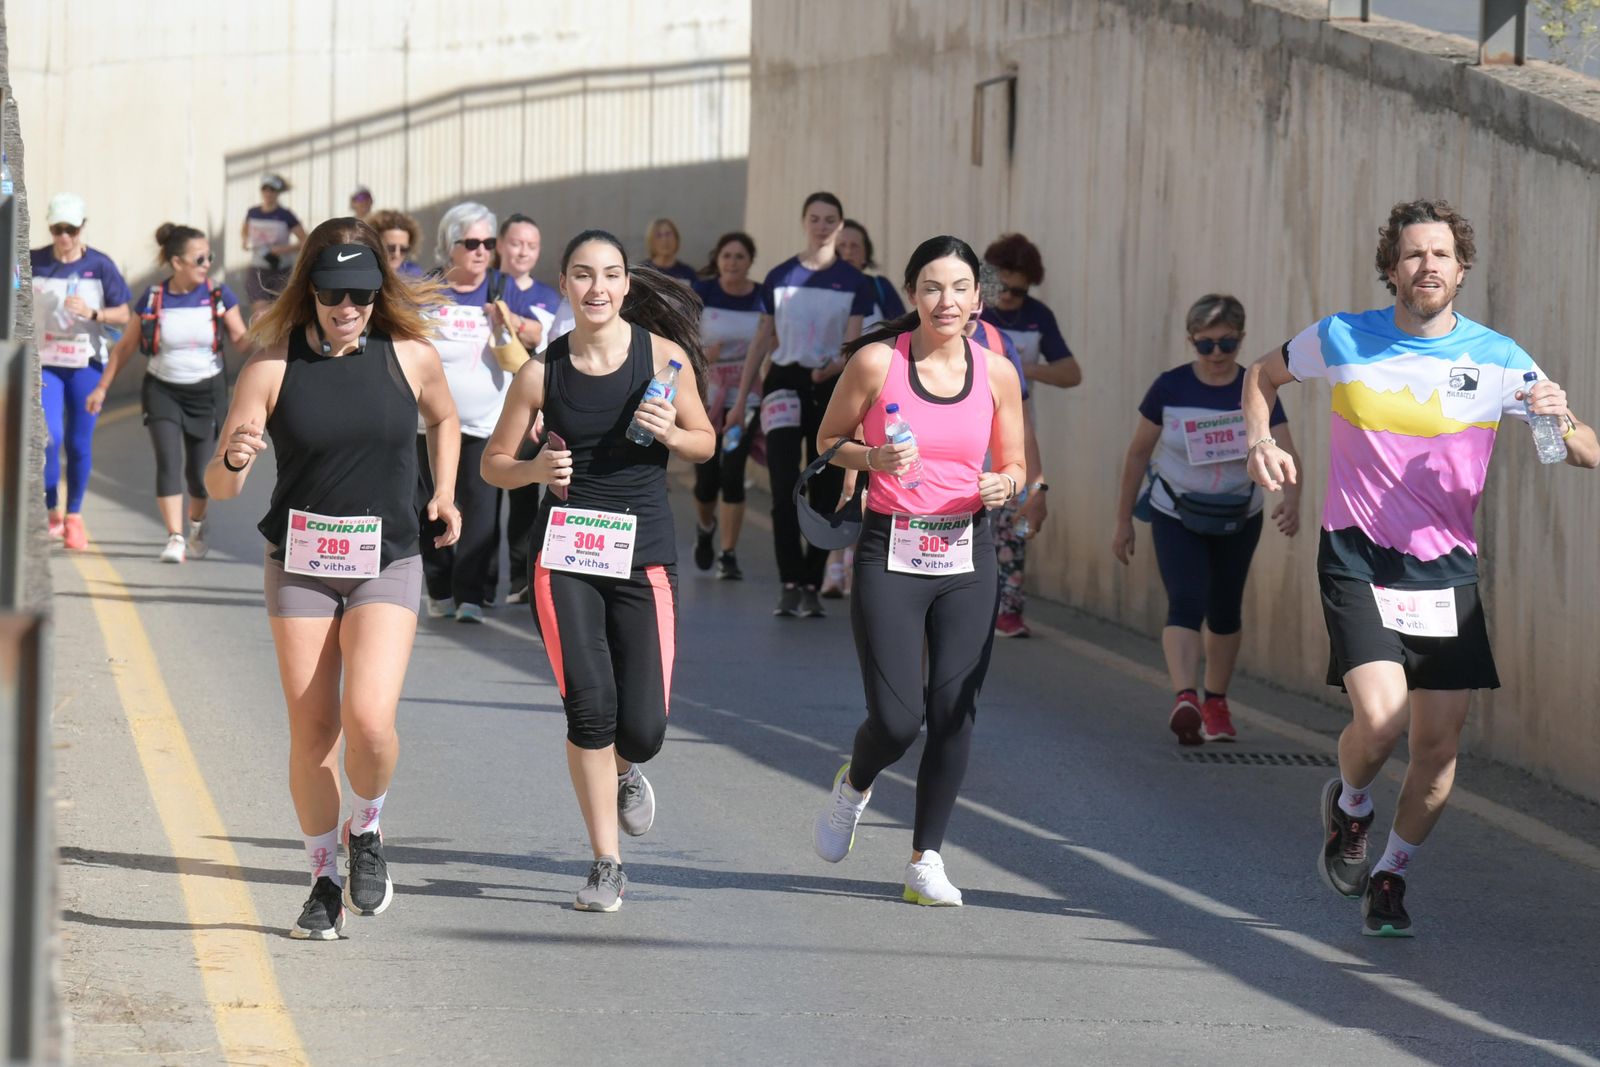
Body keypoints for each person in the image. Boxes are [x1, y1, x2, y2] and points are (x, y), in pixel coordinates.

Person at [1243, 199, 1598, 937]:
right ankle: (1350, 805)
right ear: (1392, 268)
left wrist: (1558, 415)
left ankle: (1391, 874)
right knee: (1380, 719)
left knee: (1437, 749)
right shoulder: (1343, 336)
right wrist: (1261, 441)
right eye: (1413, 254)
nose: (1427, 265)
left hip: (1446, 573)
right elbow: (1261, 376)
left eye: (1441, 254)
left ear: (1461, 270)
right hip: (1356, 551)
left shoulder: (1498, 358)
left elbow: (1578, 448)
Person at [204, 219, 462, 940]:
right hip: (302, 565)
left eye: (360, 294)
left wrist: (444, 490)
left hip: (387, 558)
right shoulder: (271, 364)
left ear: (380, 291)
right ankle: (322, 878)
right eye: (330, 294)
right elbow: (220, 490)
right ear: (309, 292)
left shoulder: (410, 354)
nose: (346, 307)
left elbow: (445, 419)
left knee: (370, 723)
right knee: (313, 730)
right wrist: (234, 456)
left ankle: (367, 826)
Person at [482, 229, 714, 912]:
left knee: (641, 726)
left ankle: (626, 766)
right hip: (566, 555)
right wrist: (533, 469)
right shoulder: (540, 372)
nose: (598, 288)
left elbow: (705, 441)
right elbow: (493, 461)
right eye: (583, 275)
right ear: (565, 283)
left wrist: (670, 430)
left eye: (610, 275)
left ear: (626, 285)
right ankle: (605, 862)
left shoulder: (663, 358)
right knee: (589, 706)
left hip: (644, 555)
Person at [811, 235, 1024, 906]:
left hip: (967, 553)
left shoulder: (996, 372)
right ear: (912, 295)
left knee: (953, 711)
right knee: (899, 719)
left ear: (978, 299)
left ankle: (925, 857)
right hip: (891, 552)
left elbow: (1016, 463)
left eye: (960, 288)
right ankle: (855, 784)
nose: (946, 300)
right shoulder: (879, 362)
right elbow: (826, 442)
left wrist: (1004, 485)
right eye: (932, 287)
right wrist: (872, 460)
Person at [1114, 294, 1301, 745]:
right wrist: (1123, 521)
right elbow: (1138, 453)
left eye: (1228, 344)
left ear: (1241, 340)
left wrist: (1293, 499)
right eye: (1206, 345)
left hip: (1239, 513)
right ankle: (1186, 697)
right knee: (1186, 600)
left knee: (1224, 609)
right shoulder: (1170, 387)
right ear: (1190, 341)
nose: (1217, 355)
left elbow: (1286, 450)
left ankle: (1216, 701)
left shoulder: (1256, 389)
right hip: (1175, 510)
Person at [727, 191, 876, 617]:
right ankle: (789, 581)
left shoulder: (854, 281)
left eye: (831, 219)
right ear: (804, 222)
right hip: (784, 382)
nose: (822, 226)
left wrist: (832, 371)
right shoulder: (780, 275)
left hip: (830, 385)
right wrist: (741, 401)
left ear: (841, 226)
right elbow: (762, 339)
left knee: (827, 486)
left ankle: (813, 580)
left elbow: (854, 343)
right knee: (782, 483)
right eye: (815, 218)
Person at [91, 224, 247, 563]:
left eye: (211, 257)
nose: (208, 263)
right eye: (200, 258)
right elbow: (126, 346)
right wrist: (102, 388)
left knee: (199, 472)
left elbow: (242, 339)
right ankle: (175, 537)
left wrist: (271, 334)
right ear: (177, 263)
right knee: (168, 461)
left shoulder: (219, 295)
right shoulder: (153, 298)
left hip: (206, 392)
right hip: (163, 389)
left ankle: (197, 521)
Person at [980, 232, 1083, 637]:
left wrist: (1021, 368)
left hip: (1017, 430)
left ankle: (1010, 609)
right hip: (965, 435)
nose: (1008, 297)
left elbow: (1071, 373)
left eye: (1018, 291)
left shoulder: (1038, 316)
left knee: (1014, 523)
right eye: (1002, 287)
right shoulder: (971, 312)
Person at [417, 202, 512, 622]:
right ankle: (439, 586)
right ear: (448, 246)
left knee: (482, 509)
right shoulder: (426, 291)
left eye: (488, 243)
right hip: (430, 423)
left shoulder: (504, 289)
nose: (480, 251)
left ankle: (470, 594)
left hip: (486, 422)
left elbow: (528, 351)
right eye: (470, 243)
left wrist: (511, 326)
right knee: (433, 504)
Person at [31, 192, 131, 550]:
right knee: (48, 437)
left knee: (77, 442)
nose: (64, 237)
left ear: (81, 228)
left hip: (85, 363)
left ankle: (74, 515)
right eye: (57, 229)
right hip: (46, 364)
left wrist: (93, 314)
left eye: (70, 229)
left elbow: (124, 313)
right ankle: (50, 511)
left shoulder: (100, 265)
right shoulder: (33, 261)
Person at [494, 213, 565, 606]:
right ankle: (477, 582)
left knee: (522, 495)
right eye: (516, 243)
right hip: (484, 409)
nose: (523, 251)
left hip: (527, 411)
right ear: (501, 245)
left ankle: (520, 580)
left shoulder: (547, 296)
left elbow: (545, 342)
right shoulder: (485, 286)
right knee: (480, 499)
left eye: (531, 245)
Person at [689, 232, 763, 579]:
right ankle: (706, 529)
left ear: (750, 261)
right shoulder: (703, 293)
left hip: (746, 394)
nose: (732, 262)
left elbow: (771, 339)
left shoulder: (762, 297)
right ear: (717, 259)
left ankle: (729, 554)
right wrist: (704, 354)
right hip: (706, 392)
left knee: (732, 473)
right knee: (707, 478)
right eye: (727, 256)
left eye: (739, 257)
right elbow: (681, 339)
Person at [241, 174, 305, 317]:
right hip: (258, 269)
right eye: (265, 189)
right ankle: (260, 339)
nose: (268, 193)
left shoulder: (286, 215)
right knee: (260, 314)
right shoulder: (253, 213)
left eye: (272, 190)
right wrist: (245, 241)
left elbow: (304, 241)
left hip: (280, 270)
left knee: (278, 315)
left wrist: (282, 249)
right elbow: (244, 230)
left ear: (278, 193)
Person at [837, 218, 906, 327]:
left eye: (854, 246)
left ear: (865, 255)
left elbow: (903, 330)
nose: (848, 251)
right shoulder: (819, 287)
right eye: (842, 245)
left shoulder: (881, 287)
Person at [644, 216, 700, 284]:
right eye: (659, 235)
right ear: (651, 241)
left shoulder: (688, 273)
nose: (664, 240)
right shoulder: (643, 271)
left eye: (668, 234)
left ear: (676, 238)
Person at [371, 209, 424, 279]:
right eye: (390, 248)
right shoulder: (360, 276)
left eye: (403, 249)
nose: (397, 254)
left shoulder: (414, 276)